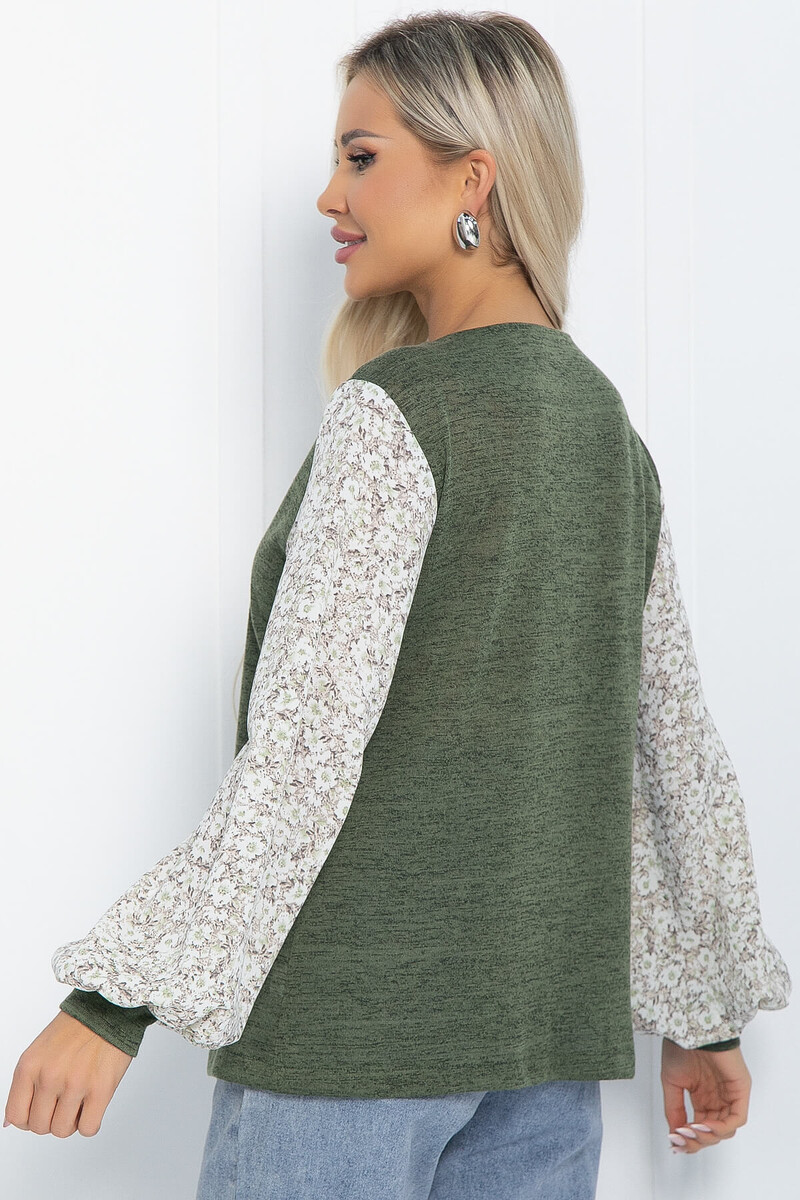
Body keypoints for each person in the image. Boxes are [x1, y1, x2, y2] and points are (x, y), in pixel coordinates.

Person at [3, 11, 791, 1199]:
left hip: (345, 1055)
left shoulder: (398, 415)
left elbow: (304, 754)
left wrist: (112, 1003)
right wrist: (702, 1013)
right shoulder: (606, 431)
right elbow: (666, 750)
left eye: (361, 157)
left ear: (473, 177)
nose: (330, 196)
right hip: (540, 1061)